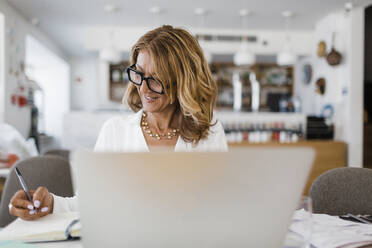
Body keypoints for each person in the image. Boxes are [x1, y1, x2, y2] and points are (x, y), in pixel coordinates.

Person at [9, 25, 228, 221]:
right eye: (139, 75)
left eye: (156, 79)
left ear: (182, 81)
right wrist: (51, 204)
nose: (142, 89)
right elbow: (92, 202)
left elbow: (222, 204)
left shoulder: (209, 132)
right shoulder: (115, 131)